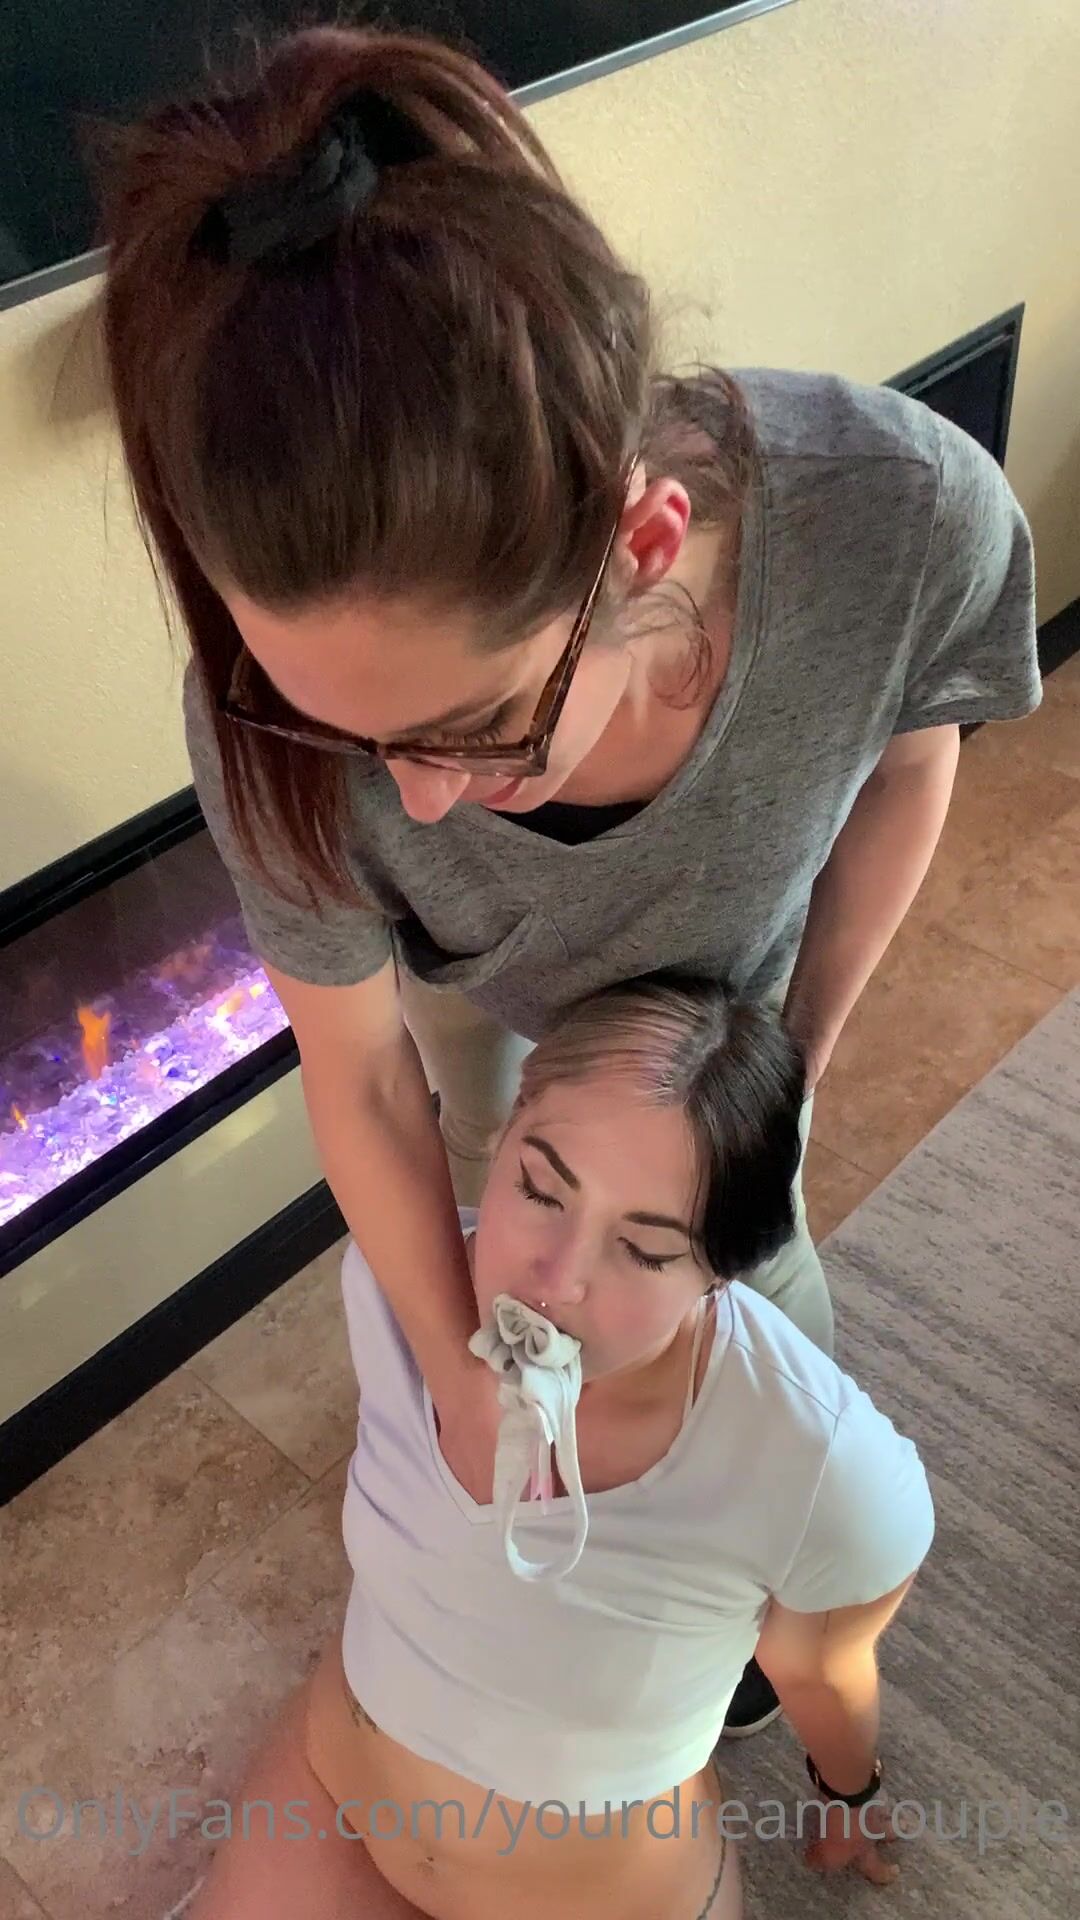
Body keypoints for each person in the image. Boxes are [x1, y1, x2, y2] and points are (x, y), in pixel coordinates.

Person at [97, 22, 1035, 1733]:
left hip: (736, 1003)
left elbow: (911, 762)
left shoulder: (902, 520)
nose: (411, 810)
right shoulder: (254, 726)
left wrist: (795, 1069)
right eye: (339, 731)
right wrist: (458, 1374)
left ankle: (741, 1623)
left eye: (474, 729)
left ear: (643, 541)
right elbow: (361, 1073)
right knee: (512, 1284)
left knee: (751, 1293)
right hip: (477, 1020)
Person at [188, 977, 935, 1920]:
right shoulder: (391, 1288)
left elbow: (825, 1667)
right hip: (336, 1802)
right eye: (540, 1190)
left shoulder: (824, 1469)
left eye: (646, 1249)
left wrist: (847, 1793)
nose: (556, 1279)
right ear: (502, 1136)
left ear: (721, 1271)